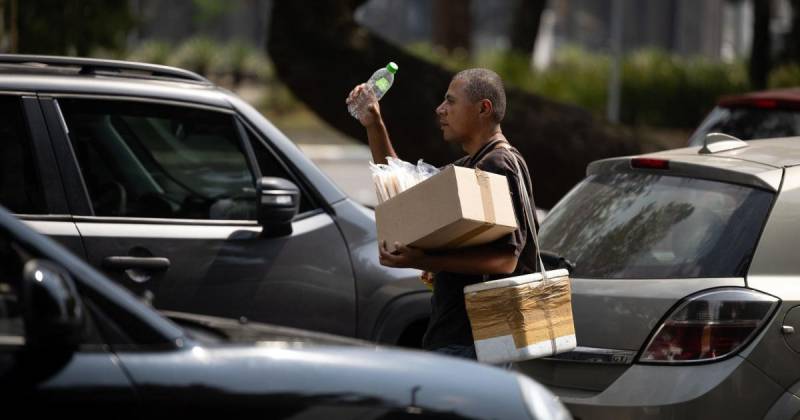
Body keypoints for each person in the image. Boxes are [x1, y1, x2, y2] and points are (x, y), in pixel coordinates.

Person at [346, 68, 538, 360]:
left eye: (450, 101)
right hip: (464, 338)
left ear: (483, 108)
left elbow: (506, 259)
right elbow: (406, 192)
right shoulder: (476, 163)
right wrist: (375, 124)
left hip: (476, 342)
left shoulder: (497, 165)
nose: (440, 109)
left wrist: (425, 260)